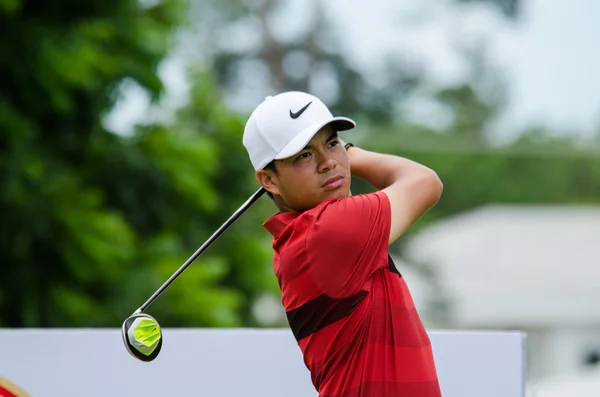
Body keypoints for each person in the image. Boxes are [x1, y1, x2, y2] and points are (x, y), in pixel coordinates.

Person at [242, 91, 444, 397]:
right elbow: (426, 182)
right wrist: (351, 152)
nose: (328, 163)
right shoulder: (326, 231)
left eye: (332, 143)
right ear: (268, 180)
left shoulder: (304, 239)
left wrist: (340, 153)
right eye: (304, 155)